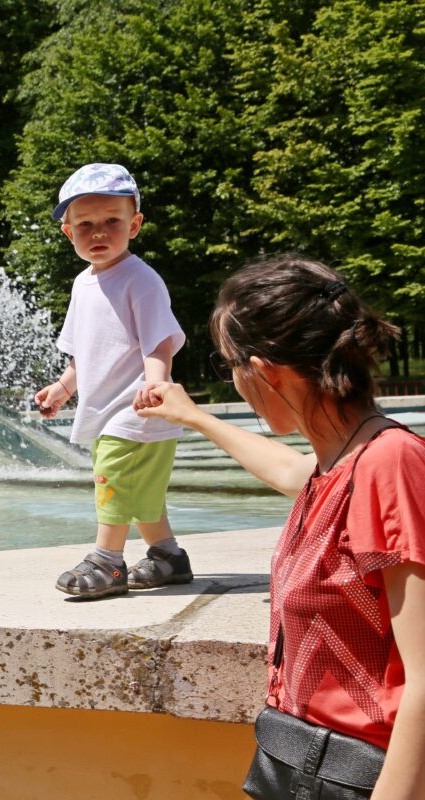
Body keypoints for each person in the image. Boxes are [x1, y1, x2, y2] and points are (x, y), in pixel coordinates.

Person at [134, 255, 424, 797]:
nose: (236, 382)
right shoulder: (341, 465)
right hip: (295, 761)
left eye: (230, 366)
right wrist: (193, 416)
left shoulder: (390, 464)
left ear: (265, 371)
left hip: (356, 777)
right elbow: (291, 470)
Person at [33, 163, 190, 599]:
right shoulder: (83, 284)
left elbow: (158, 342)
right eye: (85, 224)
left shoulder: (140, 280)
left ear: (134, 225)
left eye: (112, 221)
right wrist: (64, 388)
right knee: (138, 489)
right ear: (68, 232)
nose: (98, 231)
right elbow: (87, 351)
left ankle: (108, 562)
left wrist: (155, 385)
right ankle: (167, 557)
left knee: (115, 479)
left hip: (138, 407)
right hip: (106, 410)